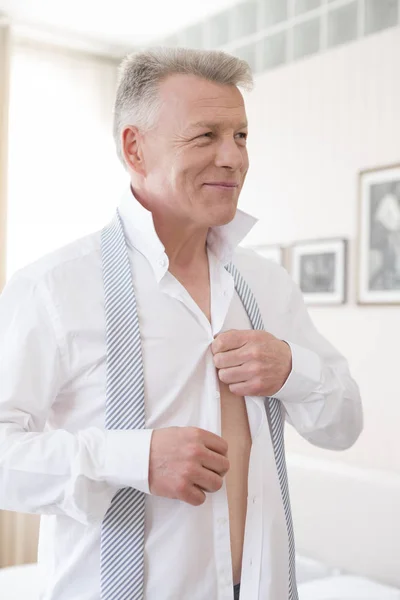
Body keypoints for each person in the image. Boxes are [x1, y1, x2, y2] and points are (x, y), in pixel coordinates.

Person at [0, 48, 362, 600]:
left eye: (241, 136)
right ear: (134, 148)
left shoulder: (268, 286)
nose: (233, 158)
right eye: (205, 136)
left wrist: (292, 369)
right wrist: (133, 458)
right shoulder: (51, 289)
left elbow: (345, 424)